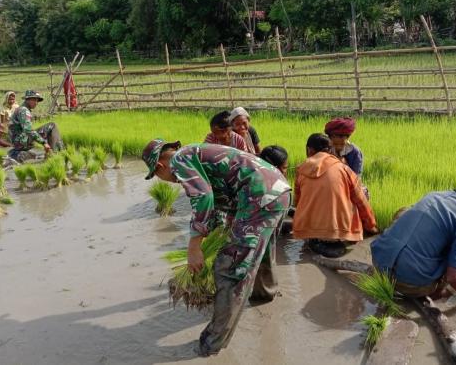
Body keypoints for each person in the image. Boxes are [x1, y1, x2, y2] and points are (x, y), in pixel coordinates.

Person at [142, 139, 291, 356]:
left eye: (157, 175)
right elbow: (225, 190)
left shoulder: (179, 161)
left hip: (259, 197)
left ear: (159, 167)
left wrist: (194, 246)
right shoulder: (195, 154)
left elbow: (203, 196)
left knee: (229, 268)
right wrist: (221, 229)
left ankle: (211, 343)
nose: (166, 180)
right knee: (261, 248)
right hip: (278, 192)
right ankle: (264, 294)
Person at [370, 173, 456, 306]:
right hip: (408, 284)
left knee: (406, 213)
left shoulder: (434, 195)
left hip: (379, 265)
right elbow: (454, 277)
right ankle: (436, 293)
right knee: (454, 257)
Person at [293, 133, 377, 258]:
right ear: (330, 149)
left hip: (309, 231)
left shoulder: (301, 171)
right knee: (361, 192)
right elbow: (361, 201)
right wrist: (372, 227)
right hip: (341, 232)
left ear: (309, 150)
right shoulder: (343, 169)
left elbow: (297, 203)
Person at [8, 90, 64, 162]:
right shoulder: (24, 110)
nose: (36, 103)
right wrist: (44, 143)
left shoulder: (21, 109)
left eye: (37, 100)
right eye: (34, 100)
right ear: (27, 99)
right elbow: (28, 130)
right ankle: (56, 153)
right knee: (52, 126)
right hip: (21, 140)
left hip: (18, 141)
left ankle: (56, 152)